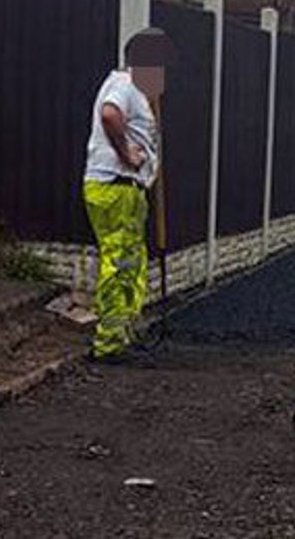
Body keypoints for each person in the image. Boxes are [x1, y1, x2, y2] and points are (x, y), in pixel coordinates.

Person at [81, 29, 174, 363]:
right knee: (118, 262)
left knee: (130, 261)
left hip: (127, 189)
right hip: (115, 186)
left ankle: (124, 332)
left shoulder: (138, 90)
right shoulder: (125, 84)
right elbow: (109, 114)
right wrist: (126, 153)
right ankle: (109, 343)